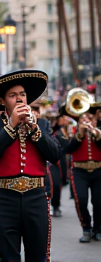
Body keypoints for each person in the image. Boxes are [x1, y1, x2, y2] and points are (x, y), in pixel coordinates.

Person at [0, 69, 61, 262]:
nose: (20, 99)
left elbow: (55, 155)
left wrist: (36, 131)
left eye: (22, 94)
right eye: (13, 95)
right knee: (7, 257)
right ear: (2, 101)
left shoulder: (43, 125)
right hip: (5, 200)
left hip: (36, 197)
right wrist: (11, 126)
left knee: (38, 256)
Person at [65, 102, 101, 242]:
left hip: (99, 170)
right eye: (83, 118)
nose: (86, 121)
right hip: (79, 171)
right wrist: (79, 134)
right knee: (81, 200)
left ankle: (98, 228)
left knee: (98, 202)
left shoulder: (98, 131)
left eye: (90, 118)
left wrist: (96, 135)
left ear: (95, 120)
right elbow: (68, 149)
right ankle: (86, 227)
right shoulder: (71, 131)